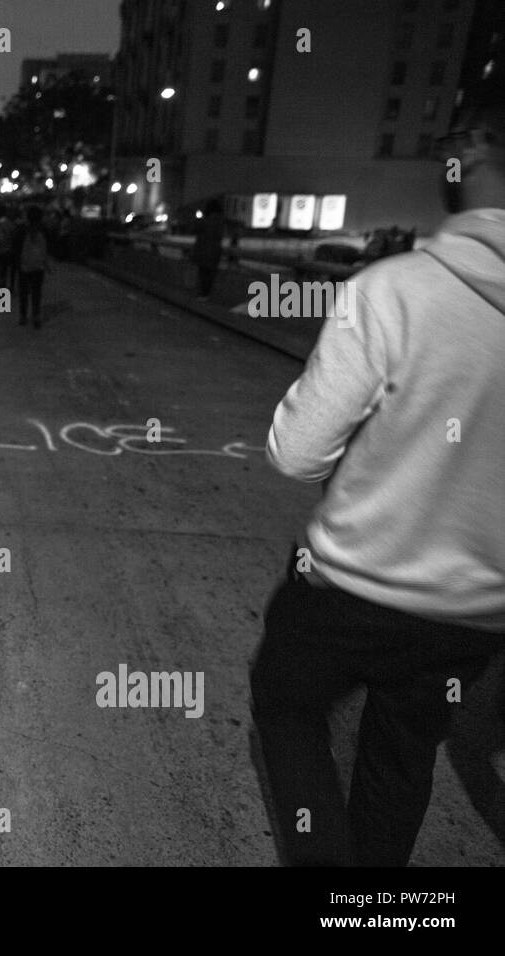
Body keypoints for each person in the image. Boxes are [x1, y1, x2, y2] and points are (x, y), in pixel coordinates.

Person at [250, 77, 505, 868]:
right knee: (402, 754)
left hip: (352, 585)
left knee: (286, 703)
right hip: (472, 608)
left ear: (469, 155)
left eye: (454, 140)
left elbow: (298, 452)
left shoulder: (393, 291)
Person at [13, 205, 50, 328]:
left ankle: (23, 316)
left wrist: (16, 263)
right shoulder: (43, 229)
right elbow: (46, 248)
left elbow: (17, 247)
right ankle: (36, 316)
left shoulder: (22, 229)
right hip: (38, 266)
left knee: (24, 292)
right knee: (36, 292)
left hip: (24, 265)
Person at [191, 198, 225, 300]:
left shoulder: (206, 220)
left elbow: (194, 229)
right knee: (210, 274)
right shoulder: (220, 221)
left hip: (203, 250)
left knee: (203, 273)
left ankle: (203, 294)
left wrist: (199, 218)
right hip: (215, 251)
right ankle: (206, 294)